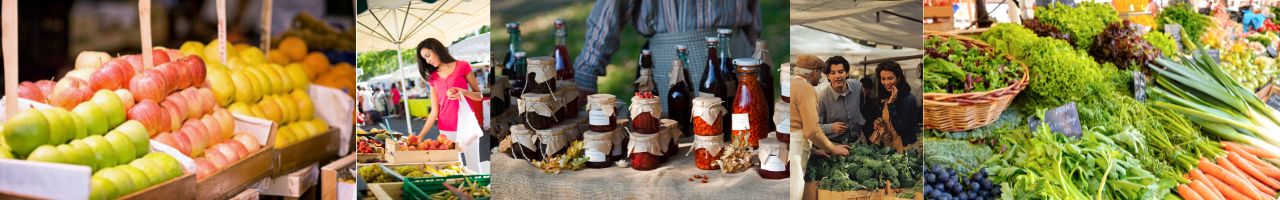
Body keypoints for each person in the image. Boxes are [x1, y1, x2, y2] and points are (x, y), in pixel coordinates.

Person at [574, 0, 763, 111]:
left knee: (743, 145)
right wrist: (586, 72)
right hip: (672, 69)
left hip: (740, 59)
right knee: (678, 146)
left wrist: (756, 60)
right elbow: (611, 7)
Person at [414, 38, 484, 169]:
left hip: (467, 124)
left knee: (474, 166)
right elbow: (434, 111)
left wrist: (463, 92)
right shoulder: (432, 78)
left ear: (436, 50)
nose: (427, 60)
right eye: (424, 59)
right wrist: (421, 135)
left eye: (428, 55)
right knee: (455, 168)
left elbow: (479, 96)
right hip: (446, 129)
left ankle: (480, 189)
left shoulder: (463, 66)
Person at [791, 55, 849, 200]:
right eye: (821, 73)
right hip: (796, 149)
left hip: (791, 145)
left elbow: (796, 122)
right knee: (794, 191)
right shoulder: (806, 89)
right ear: (814, 72)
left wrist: (815, 151)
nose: (820, 77)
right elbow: (811, 130)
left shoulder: (791, 85)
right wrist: (832, 148)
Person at [864, 61, 921, 151]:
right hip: (890, 147)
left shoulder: (909, 99)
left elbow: (901, 129)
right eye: (883, 79)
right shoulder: (885, 97)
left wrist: (891, 104)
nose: (886, 82)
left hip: (905, 148)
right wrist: (879, 123)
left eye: (890, 78)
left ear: (898, 78)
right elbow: (887, 120)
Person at [818, 56, 864, 143]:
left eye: (840, 72)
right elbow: (814, 127)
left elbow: (861, 107)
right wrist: (830, 128)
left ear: (846, 73)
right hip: (835, 145)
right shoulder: (822, 98)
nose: (837, 76)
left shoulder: (858, 86)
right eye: (833, 73)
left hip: (860, 140)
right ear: (828, 76)